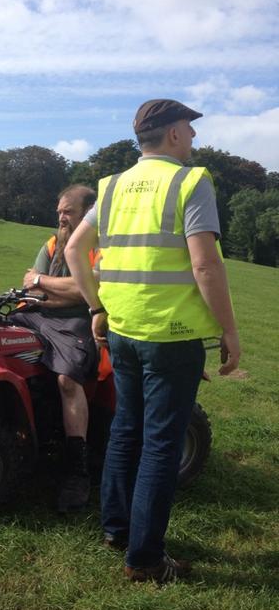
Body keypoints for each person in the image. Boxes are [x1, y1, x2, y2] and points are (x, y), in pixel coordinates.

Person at [65, 99, 240, 584]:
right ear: (174, 134)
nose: (195, 137)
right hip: (172, 336)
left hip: (122, 329)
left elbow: (76, 248)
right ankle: (144, 559)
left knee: (127, 430)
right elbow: (205, 264)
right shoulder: (192, 181)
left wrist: (97, 307)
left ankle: (116, 530)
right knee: (161, 443)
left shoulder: (113, 185)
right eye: (190, 128)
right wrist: (229, 329)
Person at [14, 184, 98, 512]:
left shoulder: (102, 245)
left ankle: (77, 468)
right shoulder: (52, 243)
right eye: (59, 211)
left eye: (68, 211)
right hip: (39, 315)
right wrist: (50, 288)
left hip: (81, 322)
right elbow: (29, 287)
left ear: (88, 213)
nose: (61, 217)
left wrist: (42, 282)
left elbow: (87, 292)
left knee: (68, 380)